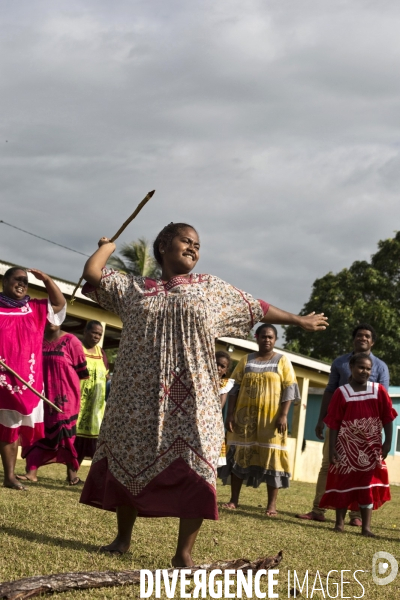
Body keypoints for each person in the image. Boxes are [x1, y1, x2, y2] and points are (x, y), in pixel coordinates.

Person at [79, 222, 328, 565]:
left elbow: (256, 307)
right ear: (164, 244)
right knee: (128, 456)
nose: (195, 248)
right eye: (187, 240)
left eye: (198, 244)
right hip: (137, 398)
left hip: (193, 398)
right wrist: (107, 245)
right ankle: (122, 538)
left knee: (197, 465)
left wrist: (298, 320)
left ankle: (183, 553)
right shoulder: (133, 287)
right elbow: (93, 273)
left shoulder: (209, 288)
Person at [296, 323, 390, 525]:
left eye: (367, 336)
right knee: (329, 464)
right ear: (353, 339)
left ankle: (355, 516)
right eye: (359, 335)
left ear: (372, 341)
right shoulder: (339, 362)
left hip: (366, 430)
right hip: (338, 425)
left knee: (362, 469)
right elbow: (330, 390)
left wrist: (381, 434)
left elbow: (384, 402)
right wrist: (322, 418)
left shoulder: (381, 367)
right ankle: (318, 509)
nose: (362, 338)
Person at [221, 324, 300, 516]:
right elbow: (234, 388)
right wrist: (230, 414)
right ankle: (233, 500)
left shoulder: (283, 361)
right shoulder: (246, 360)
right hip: (244, 419)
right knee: (239, 453)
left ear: (275, 339)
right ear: (256, 338)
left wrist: (283, 415)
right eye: (263, 336)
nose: (267, 340)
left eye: (271, 337)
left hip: (270, 420)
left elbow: (290, 388)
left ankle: (271, 506)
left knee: (273, 458)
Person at [0, 267, 65, 490]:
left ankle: (10, 476)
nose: (22, 284)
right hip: (1, 378)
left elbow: (58, 304)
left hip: (25, 382)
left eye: (25, 281)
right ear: (5, 281)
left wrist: (46, 279)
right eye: (17, 280)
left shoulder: (34, 307)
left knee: (12, 427)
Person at [319, 353, 397, 537]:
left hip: (371, 448)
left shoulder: (378, 390)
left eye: (368, 368)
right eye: (361, 367)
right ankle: (339, 524)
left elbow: (387, 417)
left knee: (367, 485)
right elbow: (334, 422)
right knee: (343, 482)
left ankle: (366, 528)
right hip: (346, 447)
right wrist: (332, 449)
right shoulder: (341, 392)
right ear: (352, 367)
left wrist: (387, 442)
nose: (365, 371)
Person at [18, 323, 89, 485]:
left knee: (64, 433)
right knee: (37, 431)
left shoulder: (72, 341)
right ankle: (31, 472)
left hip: (65, 398)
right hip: (39, 396)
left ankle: (72, 475)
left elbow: (82, 372)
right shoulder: (35, 340)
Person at [74, 321, 109, 465]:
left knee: (88, 440)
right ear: (85, 331)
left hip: (95, 406)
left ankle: (74, 472)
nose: (97, 336)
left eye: (99, 334)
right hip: (77, 401)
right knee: (71, 436)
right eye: (94, 332)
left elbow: (106, 375)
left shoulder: (101, 353)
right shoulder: (77, 348)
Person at [215, 351, 234, 468]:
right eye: (216, 364)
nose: (218, 368)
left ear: (226, 370)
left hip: (213, 424)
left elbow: (220, 405)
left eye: (222, 366)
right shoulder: (201, 380)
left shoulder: (224, 384)